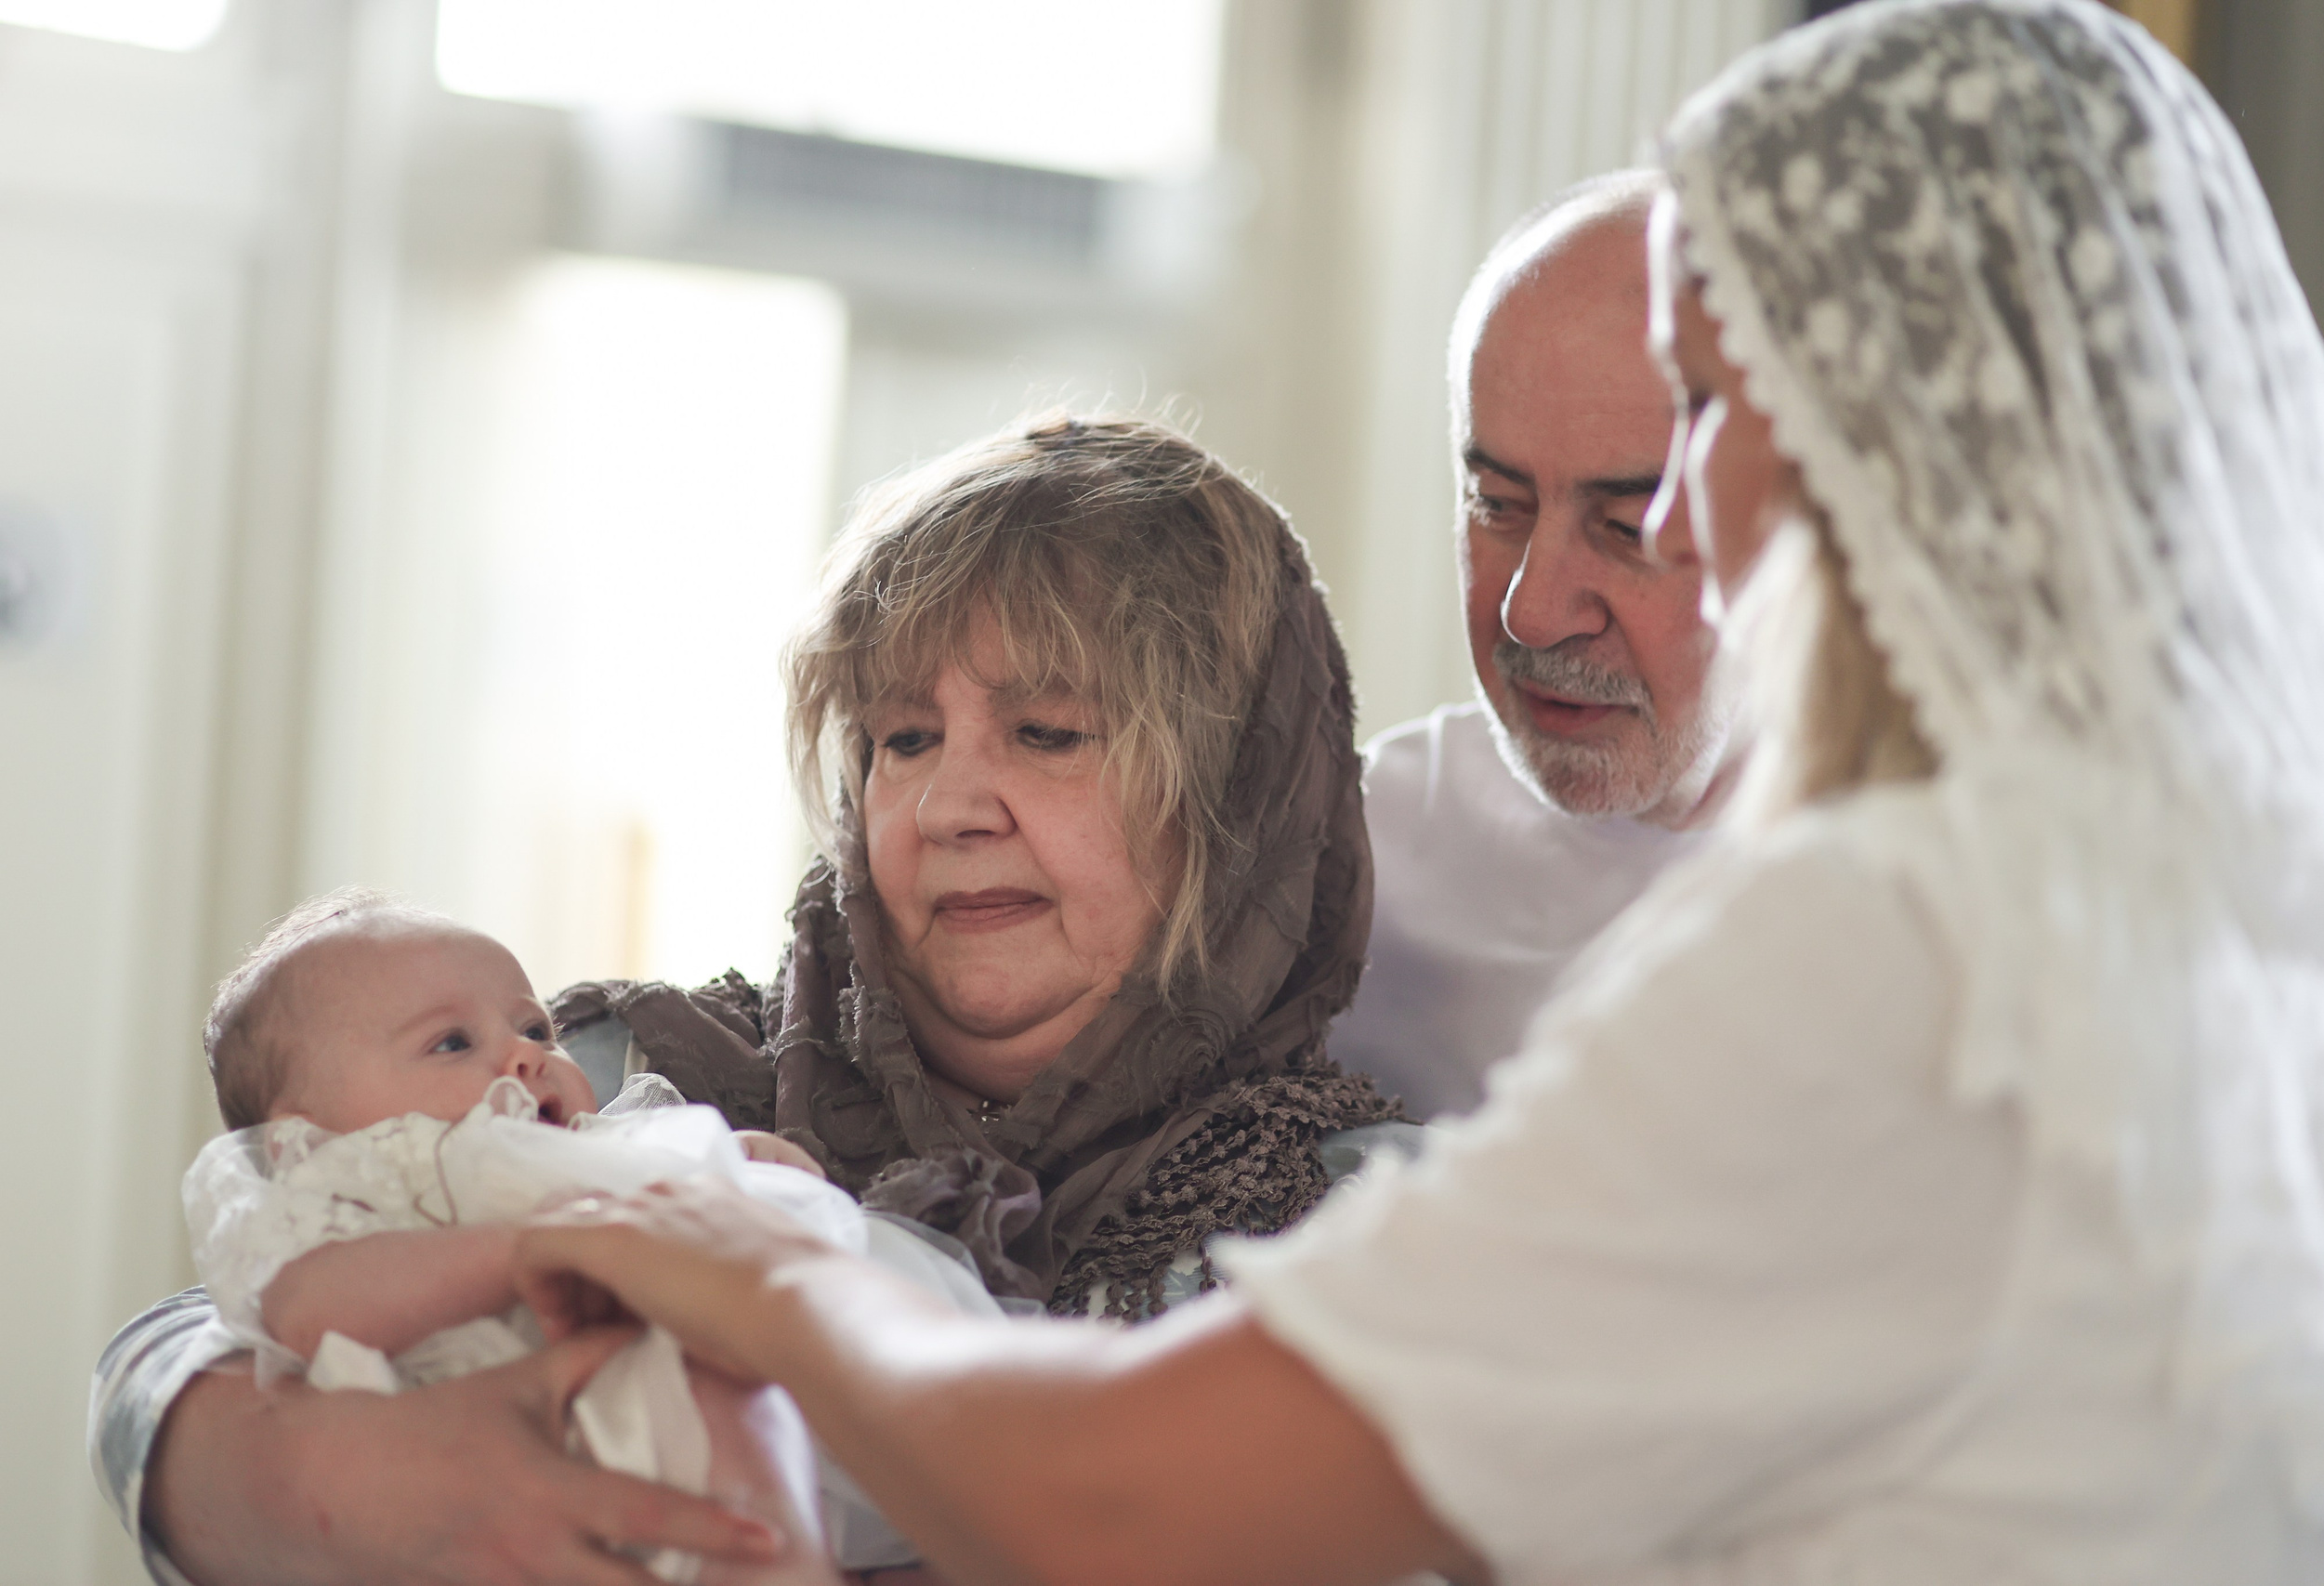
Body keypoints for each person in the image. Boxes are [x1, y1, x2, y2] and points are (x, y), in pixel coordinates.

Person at [506, 4, 2324, 1582]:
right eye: (1490, 496)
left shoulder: (1900, 935)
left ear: (1912, 452)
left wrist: (781, 1271)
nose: (1552, 588)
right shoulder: (2238, 898)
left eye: (1687, 445)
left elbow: (1116, 1493)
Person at [93, 415, 1402, 1583]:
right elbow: (240, 1294)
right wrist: (266, 1468)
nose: (949, 807)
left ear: (1237, 799)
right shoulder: (594, 1075)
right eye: (901, 737)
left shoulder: (1369, 1220)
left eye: (1047, 731)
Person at [175, 886, 1003, 1583]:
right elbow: (312, 1311)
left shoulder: (598, 1146)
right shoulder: (346, 1193)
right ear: (302, 1133)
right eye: (452, 1042)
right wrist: (526, 1248)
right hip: (488, 1466)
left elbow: (701, 1200)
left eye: (534, 1029)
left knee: (749, 1415)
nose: (525, 1057)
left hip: (672, 1409)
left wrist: (740, 1168)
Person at [1330, 169, 1730, 1120]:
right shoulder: (1349, 867)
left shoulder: (1957, 916)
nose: (1531, 612)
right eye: (1497, 507)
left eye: (1627, 530)